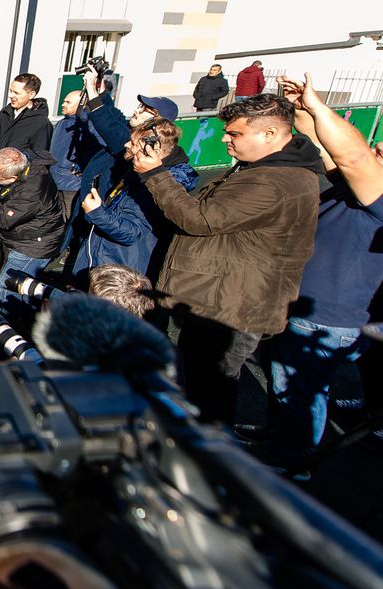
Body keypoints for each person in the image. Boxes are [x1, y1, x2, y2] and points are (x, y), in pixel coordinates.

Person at [132, 94, 323, 424]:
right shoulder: (269, 168)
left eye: (234, 134)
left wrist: (155, 175)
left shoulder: (273, 181)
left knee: (210, 391)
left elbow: (201, 220)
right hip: (222, 299)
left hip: (234, 308)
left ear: (271, 134)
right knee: (203, 382)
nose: (224, 138)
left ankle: (209, 456)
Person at [255, 73, 383, 472]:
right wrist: (305, 108)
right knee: (291, 388)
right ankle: (284, 444)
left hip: (325, 316)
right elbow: (328, 153)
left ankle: (293, 464)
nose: (377, 145)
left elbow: (353, 155)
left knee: (301, 392)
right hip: (306, 307)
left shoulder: (378, 193)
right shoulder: (356, 189)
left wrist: (320, 105)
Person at [64, 70, 191, 281]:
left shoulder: (149, 176)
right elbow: (113, 116)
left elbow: (107, 123)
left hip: (113, 253)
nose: (137, 111)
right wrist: (102, 93)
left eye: (146, 109)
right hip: (102, 226)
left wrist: (91, 91)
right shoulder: (139, 143)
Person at [75, 118, 198, 280]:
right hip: (106, 260)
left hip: (116, 270)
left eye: (133, 143)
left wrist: (97, 212)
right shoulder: (142, 171)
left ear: (155, 150)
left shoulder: (151, 187)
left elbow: (131, 233)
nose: (126, 145)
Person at [0, 148, 64, 313]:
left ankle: (8, 322)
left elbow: (3, 219)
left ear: (13, 177)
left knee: (8, 284)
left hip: (34, 245)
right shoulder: (25, 161)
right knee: (22, 286)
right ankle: (21, 313)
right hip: (32, 236)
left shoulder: (31, 191)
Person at [0, 73, 53, 278]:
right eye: (11, 90)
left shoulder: (41, 123)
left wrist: (14, 160)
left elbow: (41, 155)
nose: (11, 96)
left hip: (17, 183)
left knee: (10, 228)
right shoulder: (5, 113)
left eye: (16, 92)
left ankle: (9, 273)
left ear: (31, 94)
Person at [48, 90, 100, 221]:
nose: (63, 104)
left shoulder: (87, 125)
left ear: (80, 104)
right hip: (54, 180)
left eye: (68, 102)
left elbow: (94, 149)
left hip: (72, 183)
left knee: (71, 218)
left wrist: (78, 168)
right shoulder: (61, 123)